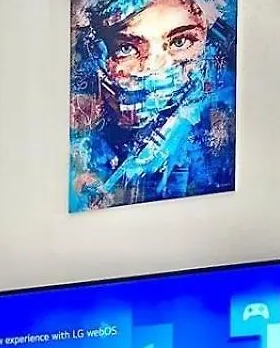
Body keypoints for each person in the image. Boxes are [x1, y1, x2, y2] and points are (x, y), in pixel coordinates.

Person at [70, 0, 237, 211]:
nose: (154, 68)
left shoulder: (214, 123)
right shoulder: (85, 134)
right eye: (126, 48)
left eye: (180, 42)